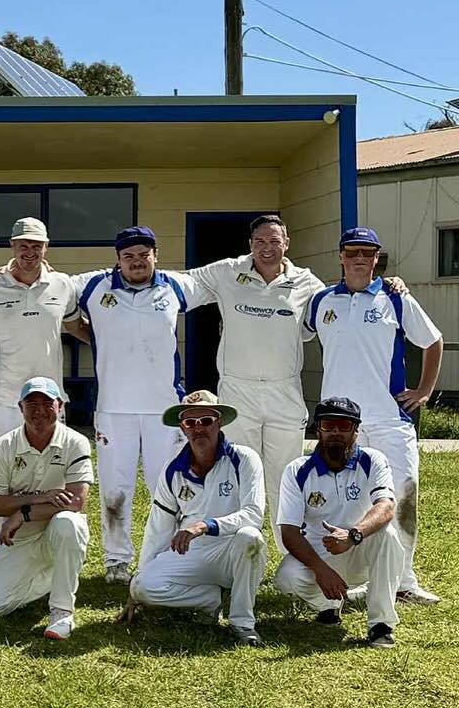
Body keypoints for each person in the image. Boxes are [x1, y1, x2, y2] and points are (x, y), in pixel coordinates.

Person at [302, 227, 444, 604]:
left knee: (403, 498)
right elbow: (292, 334)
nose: (360, 258)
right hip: (339, 426)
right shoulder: (320, 301)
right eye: (353, 251)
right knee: (351, 502)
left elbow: (433, 340)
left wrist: (424, 391)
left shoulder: (395, 298)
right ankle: (357, 579)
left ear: (377, 256)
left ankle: (404, 582)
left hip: (389, 419)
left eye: (368, 252)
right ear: (341, 256)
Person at [73, 226, 199, 584]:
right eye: (128, 256)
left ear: (155, 254)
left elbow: (219, 279)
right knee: (116, 487)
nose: (137, 262)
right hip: (114, 408)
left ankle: (165, 556)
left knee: (169, 485)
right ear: (117, 259)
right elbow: (49, 283)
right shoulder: (93, 286)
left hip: (165, 409)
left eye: (144, 254)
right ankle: (116, 561)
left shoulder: (175, 286)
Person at [126, 390, 267, 646]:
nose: (198, 428)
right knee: (141, 587)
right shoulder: (172, 469)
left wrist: (207, 526)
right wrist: (139, 581)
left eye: (206, 421)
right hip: (192, 551)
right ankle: (210, 600)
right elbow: (158, 527)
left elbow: (254, 515)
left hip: (231, 548)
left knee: (251, 537)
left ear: (219, 422)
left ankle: (242, 623)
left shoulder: (244, 459)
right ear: (182, 427)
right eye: (191, 422)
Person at [273, 396, 405, 648]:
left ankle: (380, 624)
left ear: (356, 430)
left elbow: (386, 505)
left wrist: (353, 535)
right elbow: (289, 531)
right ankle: (329, 605)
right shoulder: (297, 469)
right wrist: (321, 570)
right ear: (317, 429)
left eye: (344, 426)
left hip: (360, 547)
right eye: (328, 425)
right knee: (287, 578)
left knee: (387, 535)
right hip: (318, 553)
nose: (335, 432)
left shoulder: (372, 460)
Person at [0, 377, 93, 640]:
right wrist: (40, 498)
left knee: (68, 522)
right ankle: (54, 575)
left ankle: (62, 611)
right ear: (20, 407)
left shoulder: (76, 442)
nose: (39, 410)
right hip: (19, 540)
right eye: (32, 403)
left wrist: (23, 513)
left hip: (56, 534)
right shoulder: (5, 445)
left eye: (47, 403)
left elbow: (75, 501)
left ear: (60, 405)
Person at [0, 219, 85, 441]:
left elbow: (76, 326)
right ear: (12, 245)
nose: (30, 252)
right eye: (23, 246)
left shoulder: (63, 284)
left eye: (37, 246)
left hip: (51, 399)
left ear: (46, 247)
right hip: (4, 400)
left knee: (51, 471)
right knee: (2, 470)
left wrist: (114, 344)